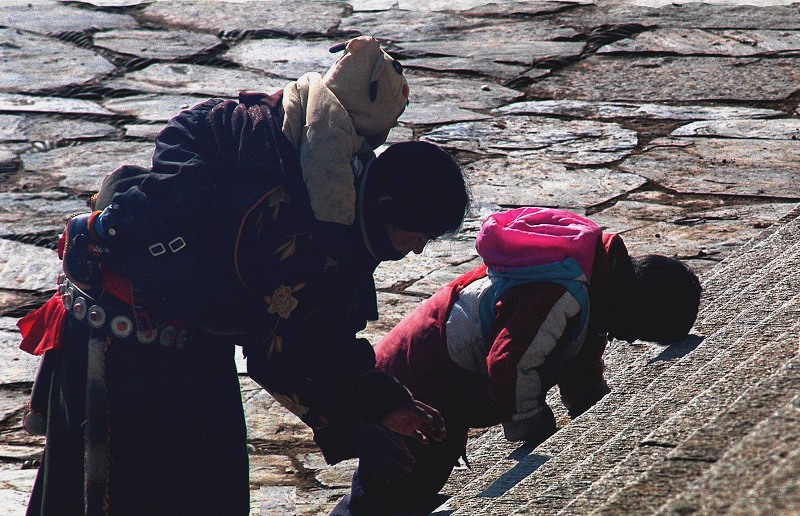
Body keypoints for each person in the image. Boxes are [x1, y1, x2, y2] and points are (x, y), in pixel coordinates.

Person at [16, 56, 469, 513]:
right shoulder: (289, 204)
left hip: (195, 341)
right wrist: (353, 429)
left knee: (213, 494)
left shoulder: (343, 217)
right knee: (124, 495)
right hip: (123, 343)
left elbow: (324, 329)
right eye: (419, 234)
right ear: (388, 205)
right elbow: (279, 352)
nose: (416, 250)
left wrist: (382, 403)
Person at [331, 206, 702, 515]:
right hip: (413, 377)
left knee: (416, 481)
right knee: (390, 489)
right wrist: (536, 431)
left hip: (439, 378)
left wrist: (595, 413)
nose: (629, 339)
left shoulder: (596, 286)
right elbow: (511, 364)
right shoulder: (559, 293)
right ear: (634, 308)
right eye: (637, 331)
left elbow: (579, 361)